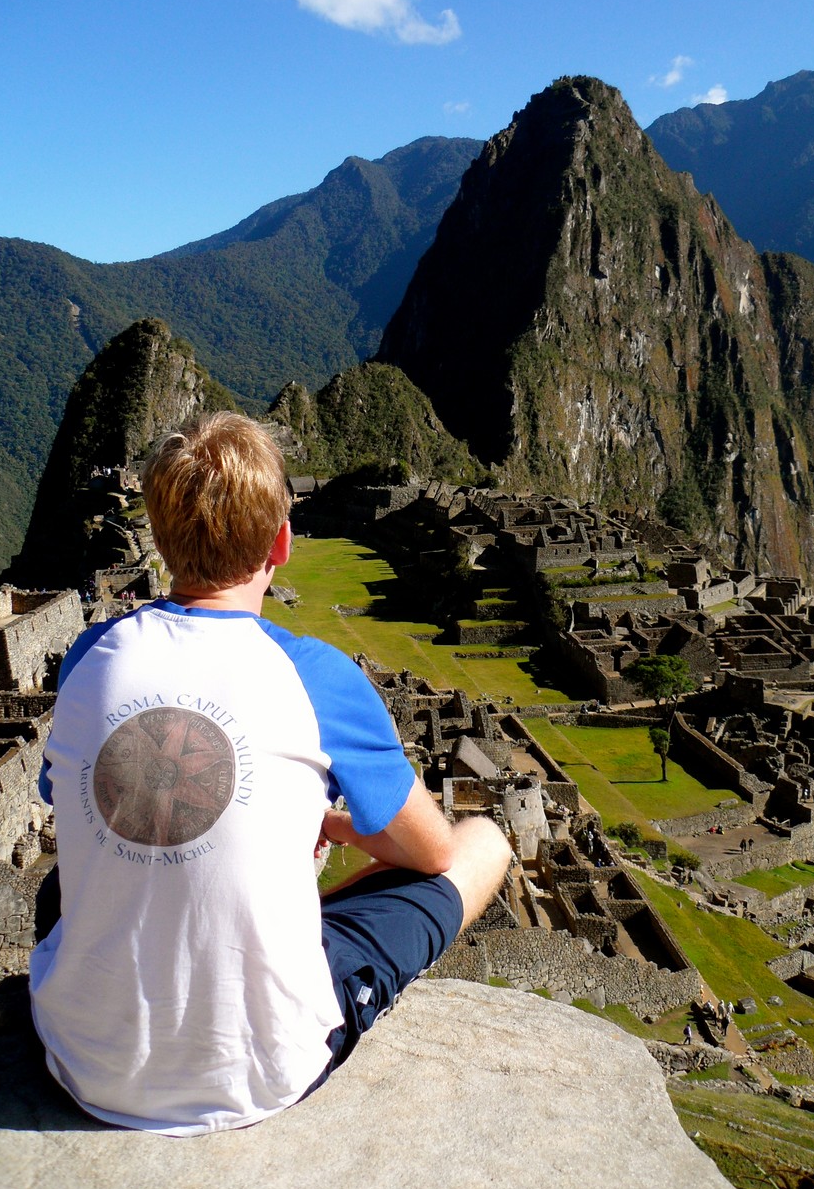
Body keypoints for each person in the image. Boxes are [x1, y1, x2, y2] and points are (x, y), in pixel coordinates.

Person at [29, 412, 510, 1136]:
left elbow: (69, 799)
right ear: (281, 541)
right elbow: (433, 854)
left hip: (80, 1063)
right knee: (482, 845)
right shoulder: (316, 676)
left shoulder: (87, 657)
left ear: (160, 539)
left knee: (55, 888)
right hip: (266, 1072)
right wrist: (338, 825)